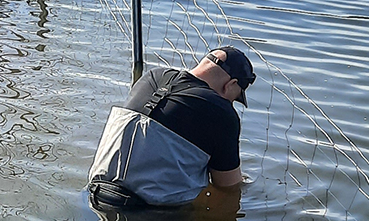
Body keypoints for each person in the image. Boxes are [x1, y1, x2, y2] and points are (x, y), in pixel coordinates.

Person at [88, 46, 256, 210]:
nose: (230, 103)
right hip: (150, 213)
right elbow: (228, 186)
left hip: (95, 194)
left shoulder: (153, 76)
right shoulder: (222, 112)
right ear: (231, 84)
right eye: (234, 97)